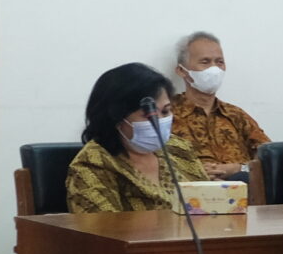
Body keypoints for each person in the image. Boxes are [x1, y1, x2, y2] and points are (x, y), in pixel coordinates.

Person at [66, 62, 208, 213]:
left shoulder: (179, 149)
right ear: (117, 118)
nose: (159, 121)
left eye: (165, 111)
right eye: (148, 115)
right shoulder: (94, 163)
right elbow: (100, 225)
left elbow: (211, 204)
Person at [164, 32, 268, 178]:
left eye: (219, 62)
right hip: (188, 188)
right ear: (182, 70)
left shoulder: (236, 115)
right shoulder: (165, 114)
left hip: (242, 188)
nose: (214, 69)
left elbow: (269, 157)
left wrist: (238, 169)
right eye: (205, 62)